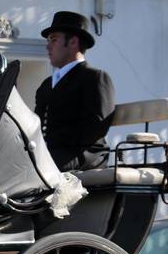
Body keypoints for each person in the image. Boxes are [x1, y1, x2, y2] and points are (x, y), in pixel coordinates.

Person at [34, 11, 115, 172]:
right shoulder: (47, 84)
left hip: (84, 154)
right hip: (54, 152)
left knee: (41, 168)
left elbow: (96, 125)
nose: (48, 46)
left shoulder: (94, 77)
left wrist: (54, 141)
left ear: (73, 42)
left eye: (54, 39)